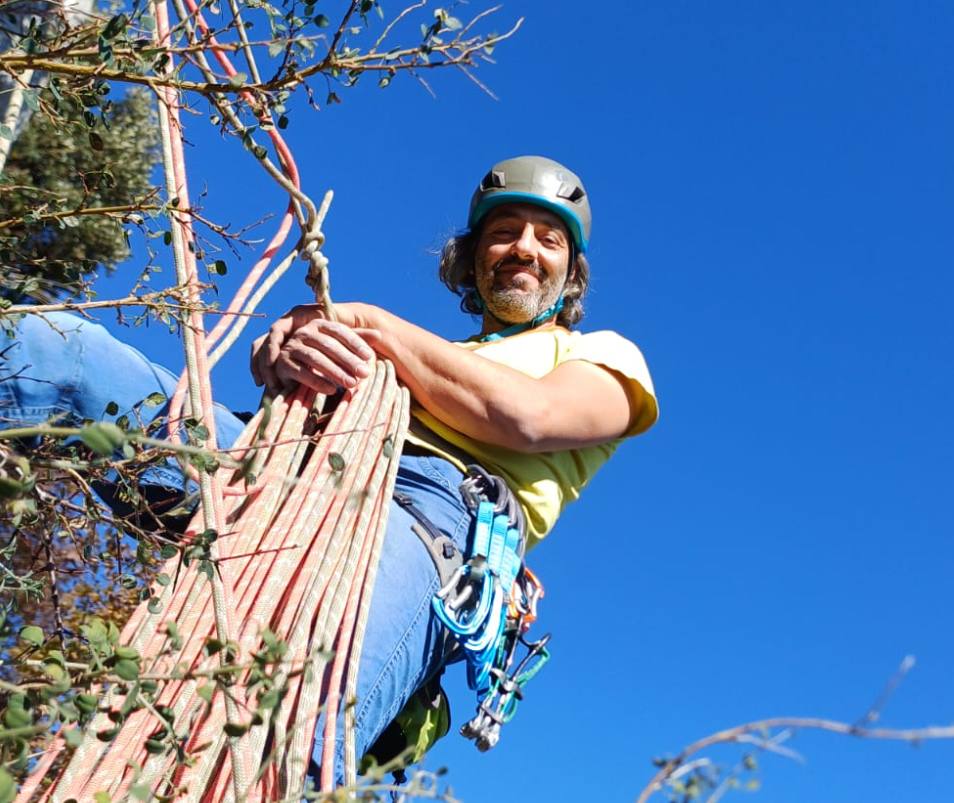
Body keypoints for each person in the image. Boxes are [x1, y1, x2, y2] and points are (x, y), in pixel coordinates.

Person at [0, 155, 658, 784]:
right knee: (56, 353)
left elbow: (529, 417)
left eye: (548, 239)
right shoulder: (420, 356)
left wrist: (367, 326)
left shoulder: (600, 356)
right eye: (503, 232)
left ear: (571, 273)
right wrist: (292, 344)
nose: (522, 248)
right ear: (472, 256)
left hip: (428, 518)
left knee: (281, 723)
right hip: (286, 457)